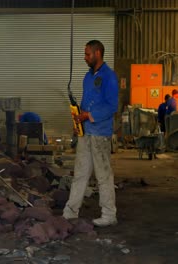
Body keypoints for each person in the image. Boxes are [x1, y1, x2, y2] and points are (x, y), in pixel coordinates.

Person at [63, 40, 119, 227]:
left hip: (100, 133)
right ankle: (70, 212)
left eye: (87, 54)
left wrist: (90, 115)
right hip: (85, 132)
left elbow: (112, 106)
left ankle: (109, 215)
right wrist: (79, 119)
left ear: (97, 53)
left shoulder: (109, 77)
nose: (85, 57)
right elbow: (86, 104)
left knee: (103, 175)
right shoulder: (88, 77)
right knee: (80, 173)